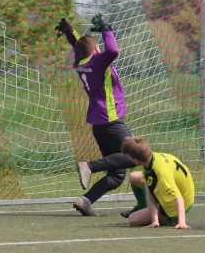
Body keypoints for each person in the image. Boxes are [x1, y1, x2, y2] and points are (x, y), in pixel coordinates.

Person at [56, 14, 146, 217]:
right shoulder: (98, 61)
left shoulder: (81, 61)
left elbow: (78, 46)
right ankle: (89, 166)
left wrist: (71, 32)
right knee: (136, 156)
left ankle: (85, 200)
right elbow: (113, 50)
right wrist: (106, 29)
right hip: (110, 119)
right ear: (97, 50)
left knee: (116, 175)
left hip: (99, 125)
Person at [121, 137, 194, 229]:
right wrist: (154, 220)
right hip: (180, 188)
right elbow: (149, 191)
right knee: (134, 177)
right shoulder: (150, 159)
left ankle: (171, 218)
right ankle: (144, 208)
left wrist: (181, 222)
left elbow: (178, 198)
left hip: (182, 201)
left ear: (135, 160)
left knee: (133, 219)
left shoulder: (161, 174)